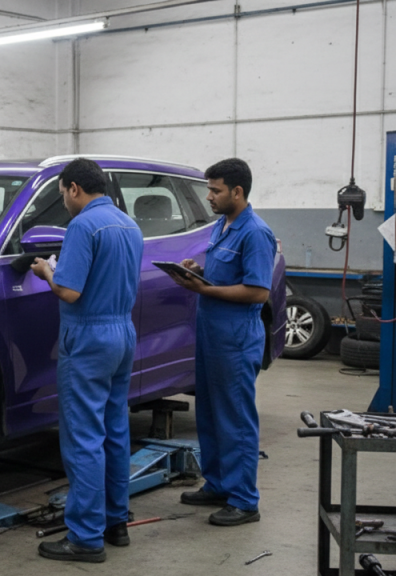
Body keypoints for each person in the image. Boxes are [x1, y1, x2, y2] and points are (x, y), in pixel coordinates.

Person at [29, 158, 143, 563]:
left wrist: (46, 270)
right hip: (122, 334)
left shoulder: (82, 226)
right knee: (114, 430)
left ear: (74, 188)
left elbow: (70, 291)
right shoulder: (129, 224)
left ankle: (85, 537)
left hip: (89, 336)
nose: (65, 203)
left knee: (83, 438)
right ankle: (115, 522)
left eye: (62, 194)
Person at [170, 158, 276, 527]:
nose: (209, 196)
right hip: (212, 335)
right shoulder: (222, 226)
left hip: (236, 339)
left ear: (238, 191)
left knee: (236, 420)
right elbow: (225, 272)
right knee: (211, 415)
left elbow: (259, 292)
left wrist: (208, 288)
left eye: (215, 190)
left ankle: (245, 500)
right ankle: (217, 484)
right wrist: (198, 272)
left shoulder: (255, 233)